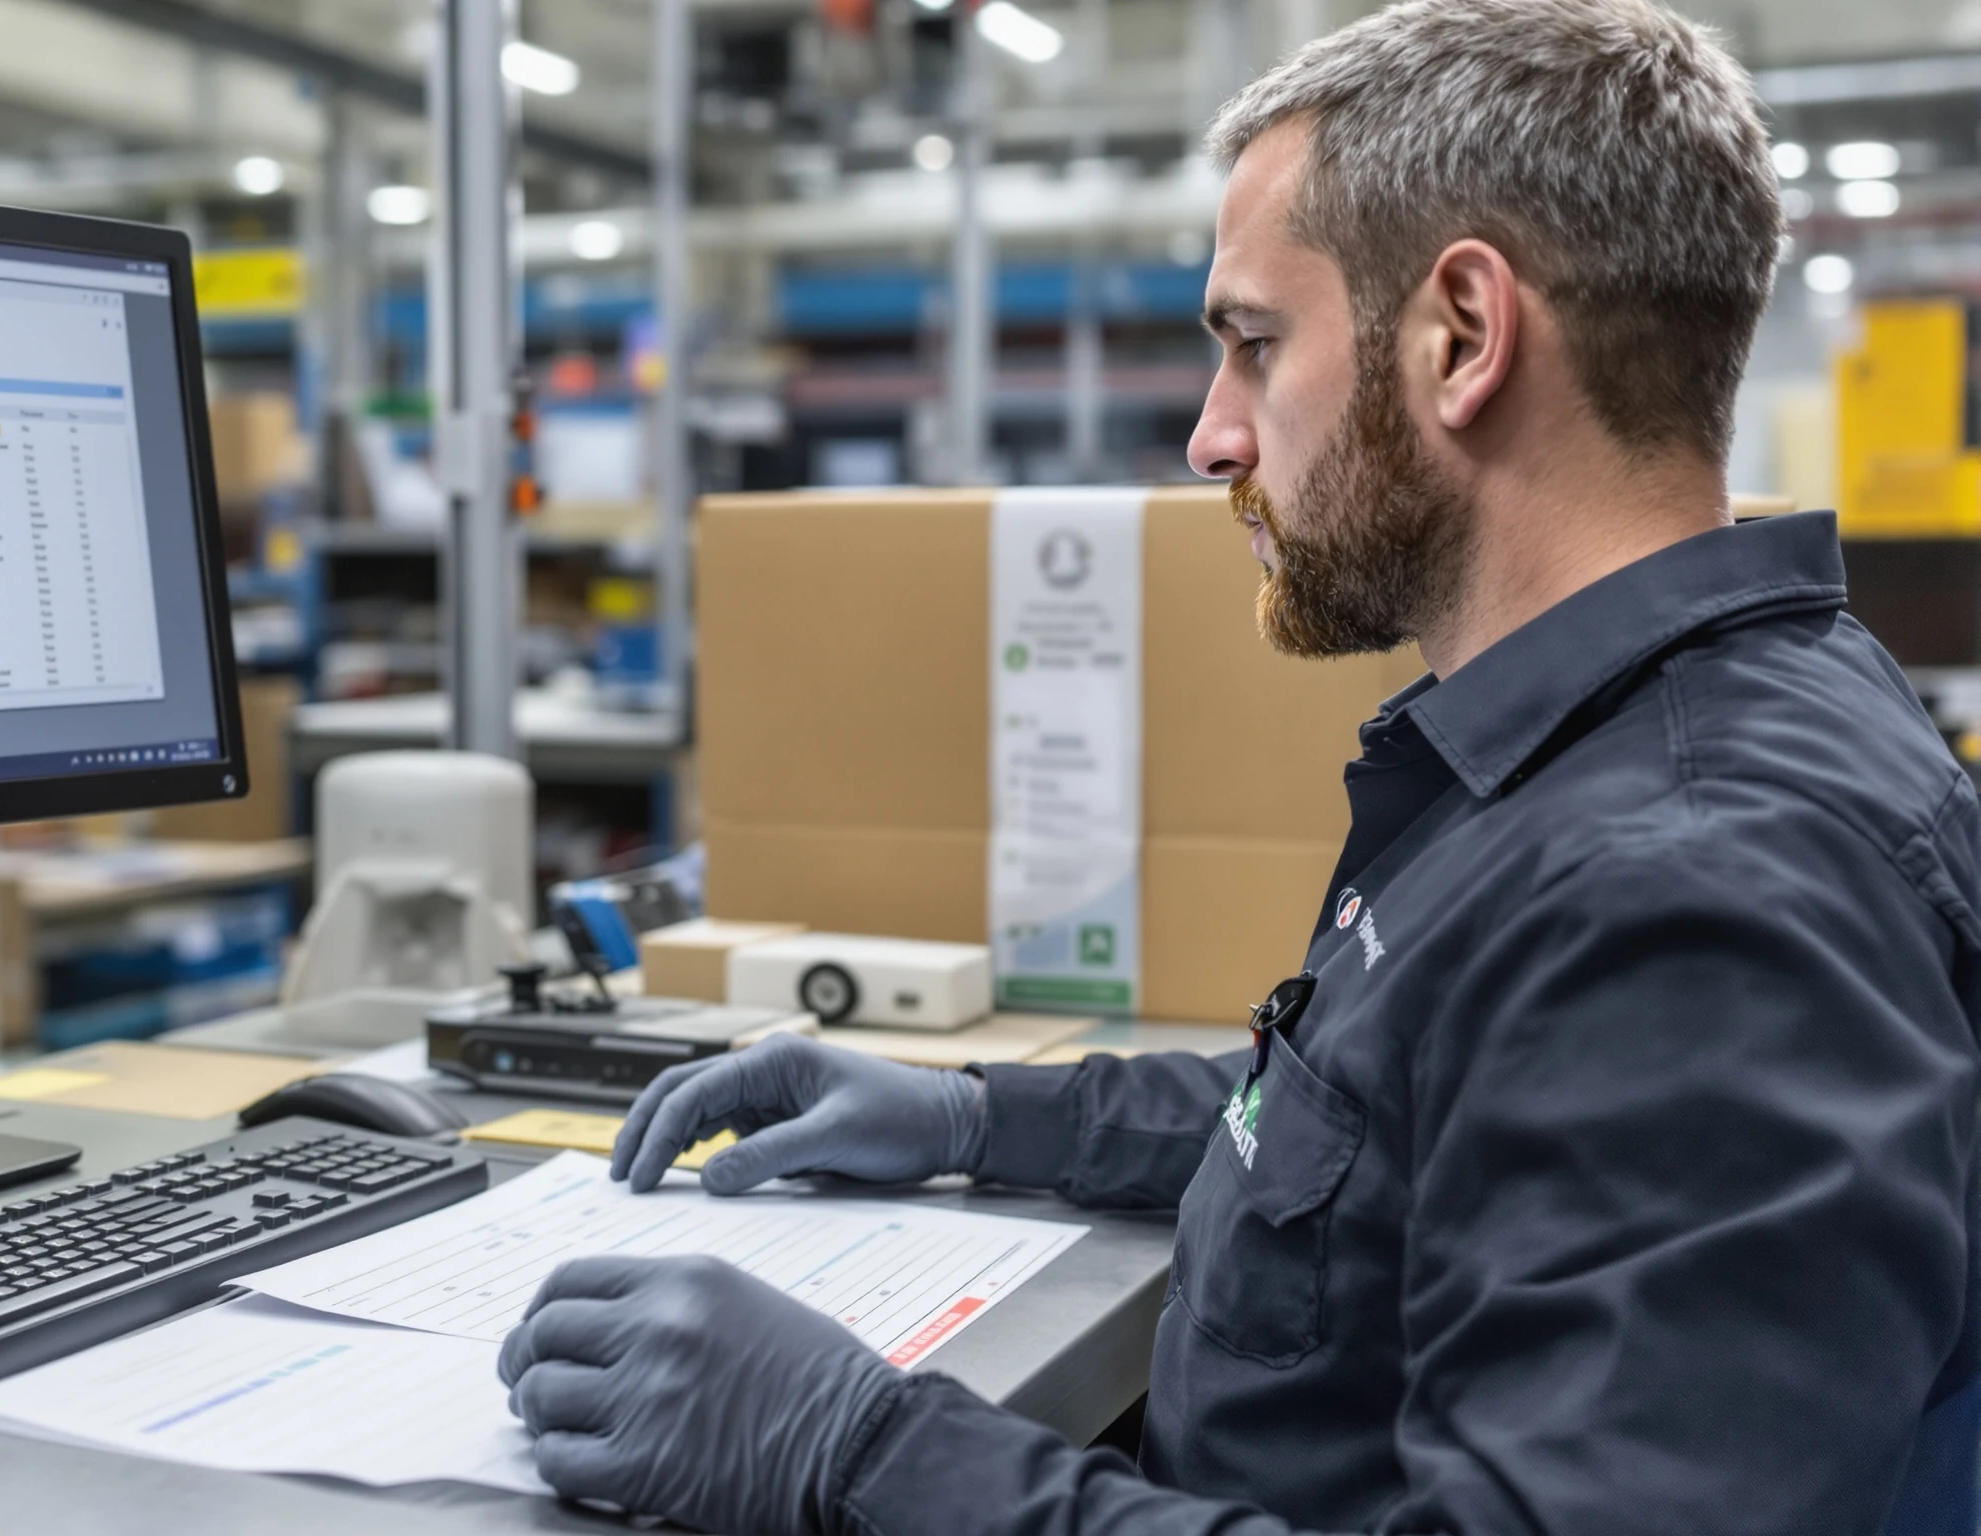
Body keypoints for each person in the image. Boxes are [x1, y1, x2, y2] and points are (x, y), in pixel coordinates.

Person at [493, 2, 1981, 1532]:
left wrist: (857, 1454)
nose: (1213, 439)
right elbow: (1392, 1130)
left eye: (1255, 346)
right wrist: (977, 1119)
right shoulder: (1621, 746)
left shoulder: (1696, 896)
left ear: (1461, 335)